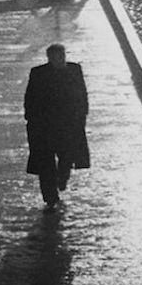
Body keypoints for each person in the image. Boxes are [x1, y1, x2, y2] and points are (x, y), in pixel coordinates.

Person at [24, 44, 90, 212]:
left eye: (62, 56)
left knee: (67, 157)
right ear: (49, 58)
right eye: (56, 57)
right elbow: (30, 98)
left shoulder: (74, 70)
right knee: (46, 163)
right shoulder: (38, 73)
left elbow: (82, 94)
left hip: (68, 124)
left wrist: (82, 115)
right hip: (45, 126)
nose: (60, 60)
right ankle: (50, 197)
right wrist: (31, 120)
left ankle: (62, 178)